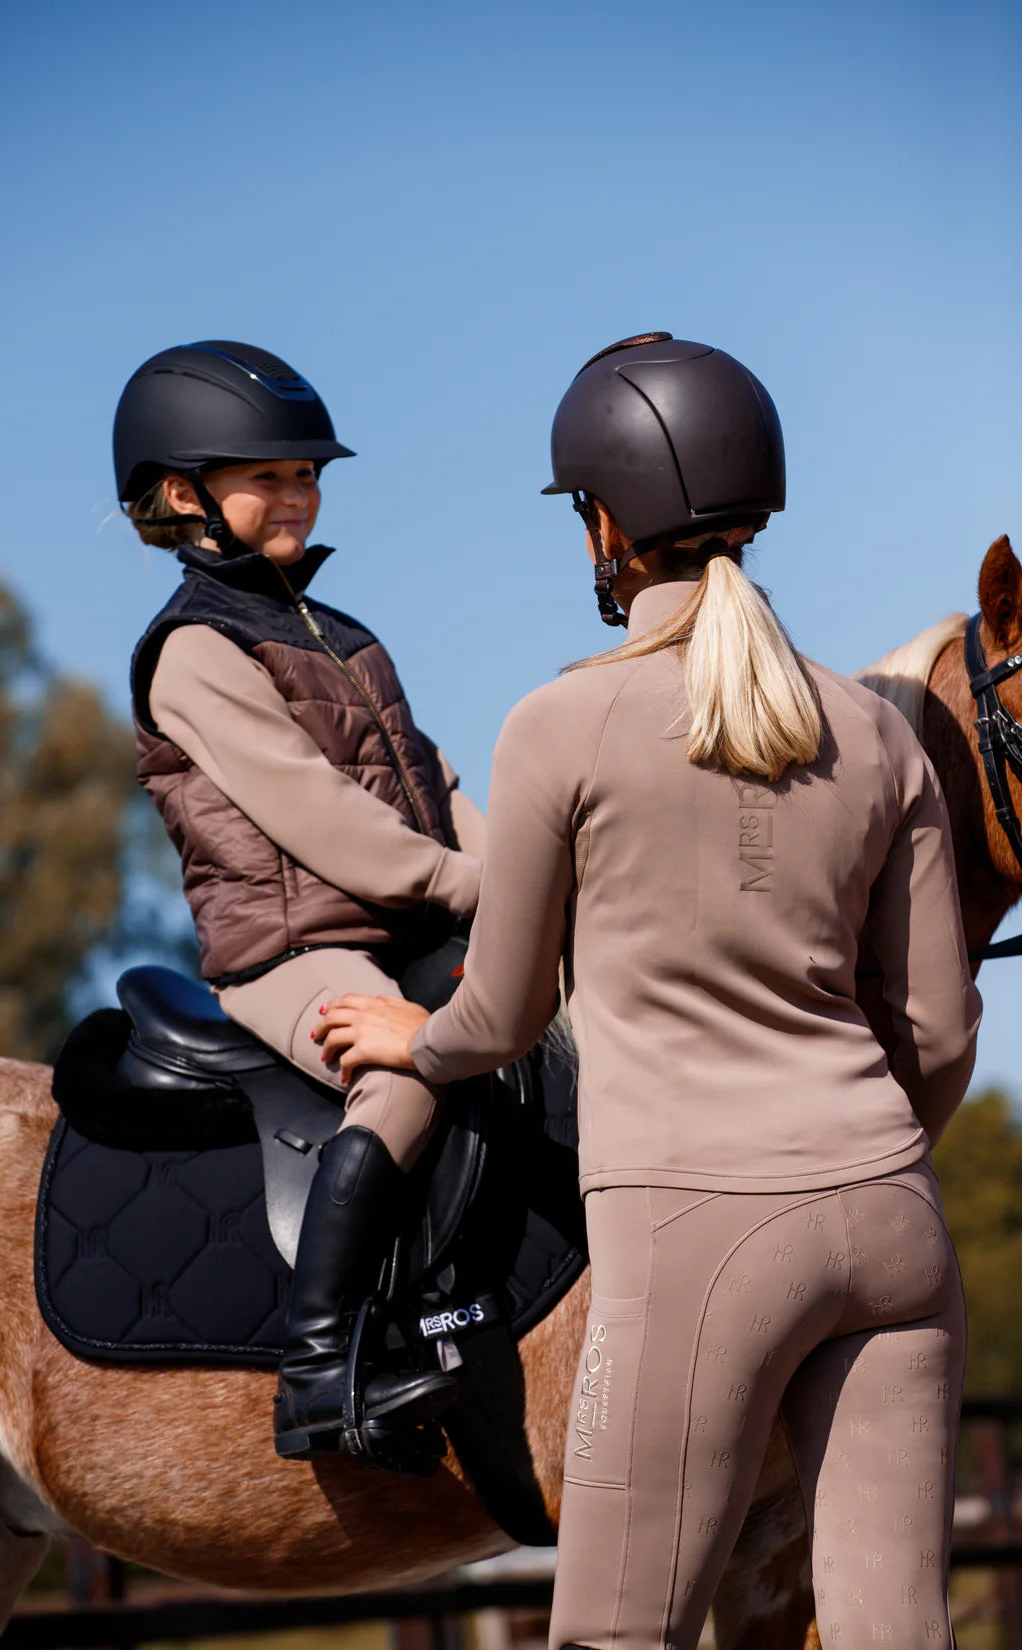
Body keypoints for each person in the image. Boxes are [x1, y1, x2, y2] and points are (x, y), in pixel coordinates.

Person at [313, 333, 980, 1648]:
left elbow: (502, 1019)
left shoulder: (563, 723)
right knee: (897, 1631)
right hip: (895, 1228)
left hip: (698, 1239)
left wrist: (417, 1038)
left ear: (607, 526)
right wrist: (858, 1155)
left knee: (618, 1633)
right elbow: (945, 1029)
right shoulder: (878, 732)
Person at [116, 340, 478, 1462]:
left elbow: (438, 783)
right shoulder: (191, 651)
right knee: (410, 1074)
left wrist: (537, 880)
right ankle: (321, 1366)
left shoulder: (345, 635)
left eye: (308, 474)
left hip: (408, 924)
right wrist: (470, 886)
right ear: (184, 498)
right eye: (267, 475)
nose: (297, 494)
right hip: (295, 951)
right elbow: (324, 819)